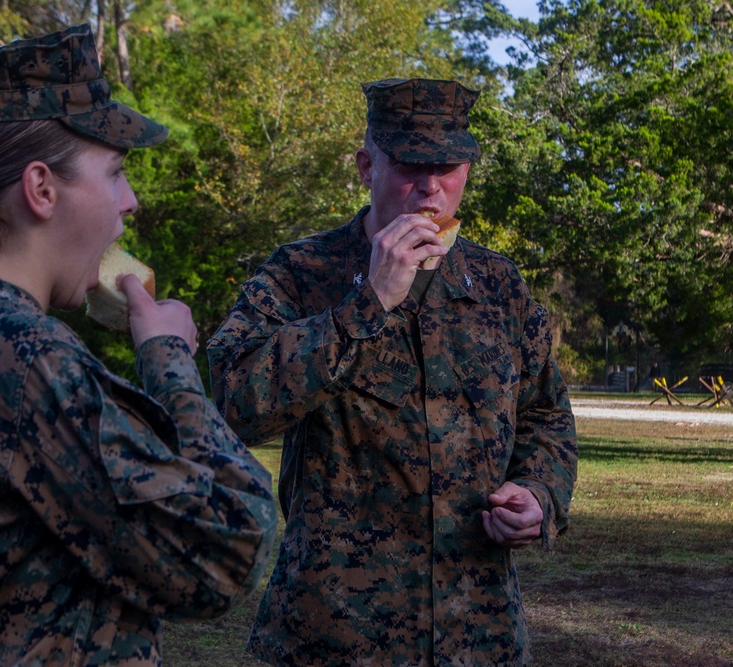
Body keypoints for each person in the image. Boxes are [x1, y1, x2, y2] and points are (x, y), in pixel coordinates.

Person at [0, 25, 277, 666]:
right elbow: (228, 550)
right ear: (41, 189)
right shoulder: (27, 360)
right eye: (115, 173)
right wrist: (169, 359)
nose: (129, 203)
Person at [208, 78, 578, 666]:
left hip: (478, 633)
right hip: (334, 635)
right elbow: (231, 404)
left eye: (449, 166)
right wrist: (367, 304)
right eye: (409, 164)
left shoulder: (499, 285)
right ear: (365, 167)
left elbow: (546, 414)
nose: (431, 187)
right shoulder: (301, 273)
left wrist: (538, 493)